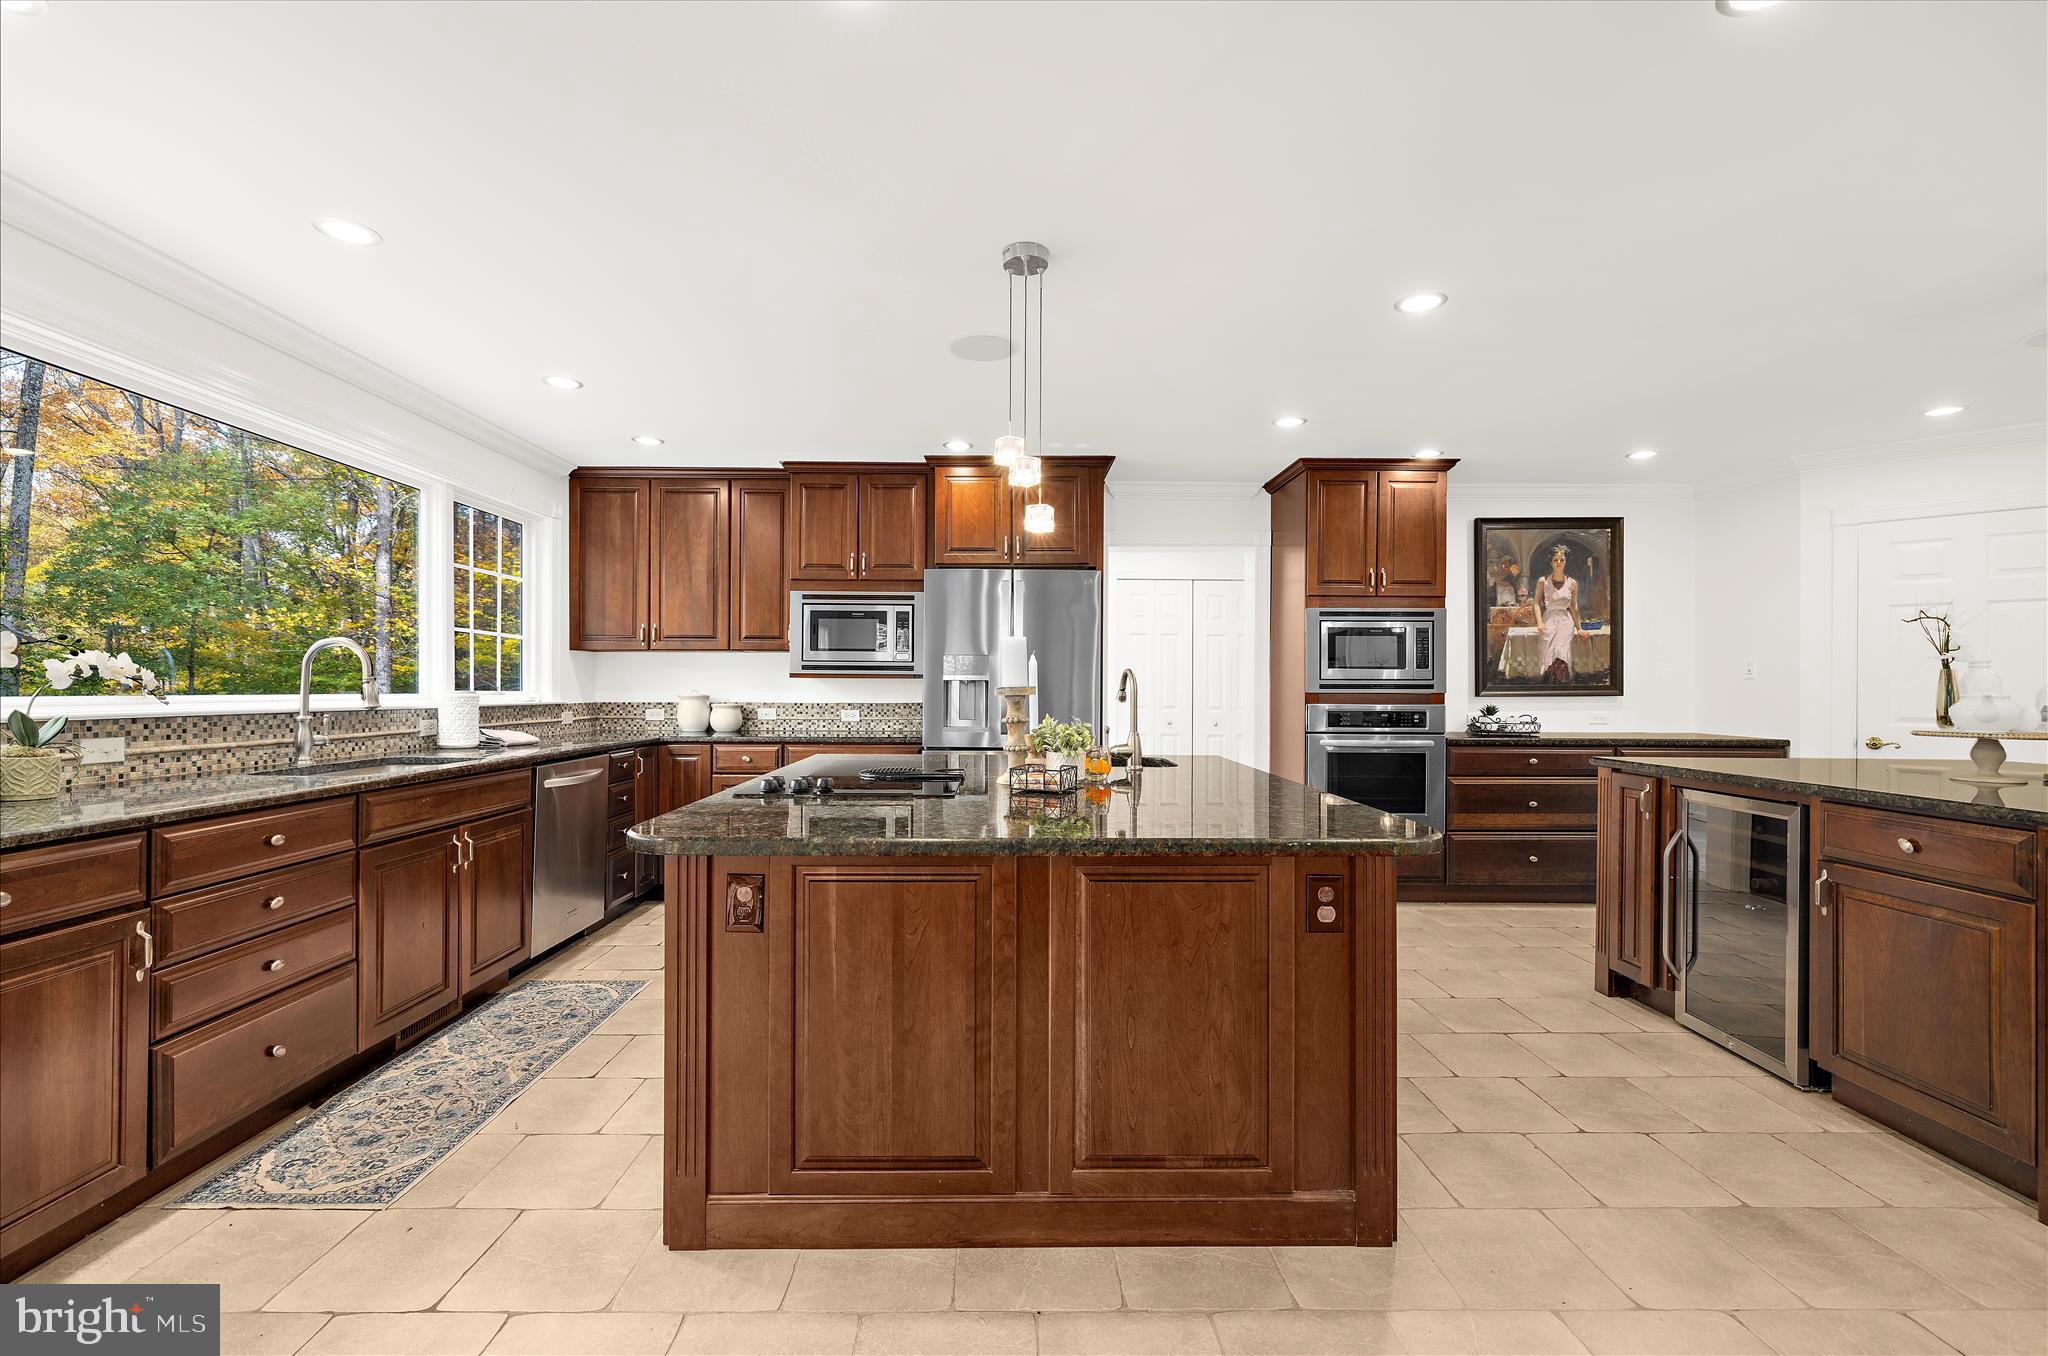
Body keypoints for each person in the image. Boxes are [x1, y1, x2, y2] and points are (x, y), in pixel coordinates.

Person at [1534, 544, 1584, 683]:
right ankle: (1549, 682)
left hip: (1566, 621)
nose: (1559, 563)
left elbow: (1574, 607)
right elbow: (1536, 603)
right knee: (1547, 651)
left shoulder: (1572, 583)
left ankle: (1562, 681)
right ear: (1551, 562)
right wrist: (1539, 622)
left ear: (1566, 562)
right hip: (1549, 619)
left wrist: (1579, 628)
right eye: (1556, 560)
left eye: (1562, 560)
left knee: (1561, 649)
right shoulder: (1543, 581)